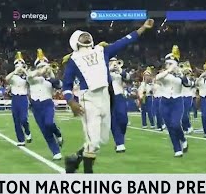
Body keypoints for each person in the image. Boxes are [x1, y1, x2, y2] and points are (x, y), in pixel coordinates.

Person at [62, 18, 155, 173]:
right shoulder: (73, 60)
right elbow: (66, 85)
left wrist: (143, 28)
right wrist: (71, 101)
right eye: (80, 36)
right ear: (75, 43)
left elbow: (124, 41)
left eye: (85, 34)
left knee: (101, 140)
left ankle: (74, 160)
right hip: (88, 98)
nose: (84, 36)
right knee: (94, 141)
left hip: (105, 96)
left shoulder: (102, 51)